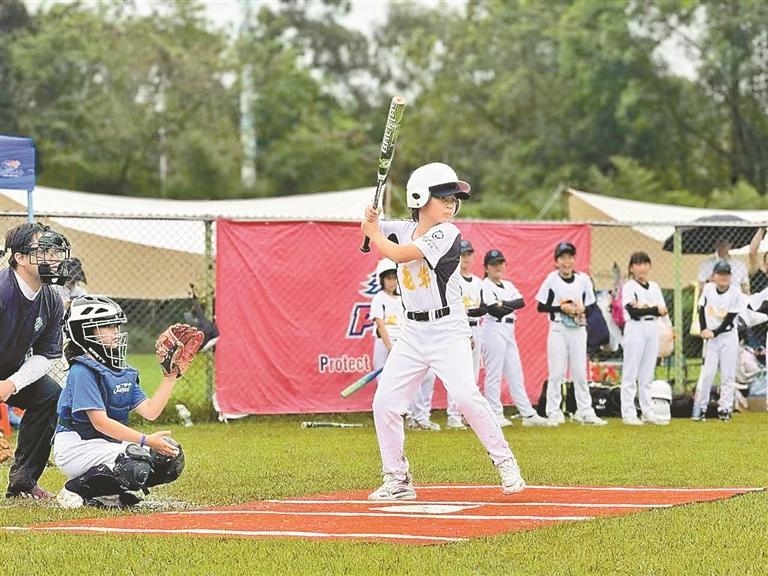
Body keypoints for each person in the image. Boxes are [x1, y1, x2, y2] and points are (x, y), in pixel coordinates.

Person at [360, 162, 525, 500]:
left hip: (447, 329)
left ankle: (506, 463)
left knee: (465, 397)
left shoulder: (447, 233)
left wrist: (374, 232)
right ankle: (398, 480)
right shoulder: (403, 227)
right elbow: (370, 229)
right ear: (420, 198)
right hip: (411, 332)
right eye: (443, 197)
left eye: (453, 198)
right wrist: (370, 218)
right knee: (385, 403)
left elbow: (397, 251)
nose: (451, 203)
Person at [53, 295, 186, 508]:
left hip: (104, 444)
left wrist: (169, 378)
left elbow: (151, 412)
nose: (116, 332)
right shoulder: (81, 371)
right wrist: (145, 440)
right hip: (76, 446)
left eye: (116, 326)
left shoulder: (119, 370)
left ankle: (109, 494)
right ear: (84, 332)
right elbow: (100, 423)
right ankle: (74, 489)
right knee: (135, 463)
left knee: (169, 458)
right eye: (107, 327)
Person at [0, 222, 71, 499]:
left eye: (55, 250)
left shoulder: (52, 298)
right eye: (44, 250)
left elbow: (46, 355)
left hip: (9, 369)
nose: (53, 258)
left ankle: (23, 484)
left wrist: (11, 384)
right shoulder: (3, 291)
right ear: (19, 258)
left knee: (50, 394)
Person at [535, 241, 607, 426]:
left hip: (578, 329)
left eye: (570, 258)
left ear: (574, 260)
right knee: (557, 372)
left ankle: (585, 411)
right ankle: (554, 411)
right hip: (558, 329)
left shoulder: (583, 280)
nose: (566, 262)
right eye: (562, 258)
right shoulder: (552, 279)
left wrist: (581, 309)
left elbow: (591, 306)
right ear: (556, 261)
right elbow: (541, 306)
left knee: (580, 373)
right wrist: (562, 308)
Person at [479, 249, 550, 428]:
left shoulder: (508, 285)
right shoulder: (484, 284)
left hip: (509, 328)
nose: (498, 267)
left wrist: (503, 304)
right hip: (493, 327)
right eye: (494, 264)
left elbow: (521, 302)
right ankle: (494, 413)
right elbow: (493, 310)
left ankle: (527, 413)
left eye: (500, 263)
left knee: (515, 373)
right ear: (486, 267)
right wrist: (503, 306)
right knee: (494, 374)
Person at [369, 258, 440, 431]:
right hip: (386, 345)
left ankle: (421, 416)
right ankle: (404, 416)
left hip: (404, 343)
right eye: (388, 278)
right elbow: (380, 325)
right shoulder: (379, 298)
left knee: (423, 377)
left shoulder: (404, 298)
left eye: (394, 277)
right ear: (382, 280)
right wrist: (390, 348)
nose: (392, 281)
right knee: (387, 383)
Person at [619, 252, 669, 426]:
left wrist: (650, 309)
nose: (641, 268)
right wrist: (653, 310)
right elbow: (633, 312)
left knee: (647, 373)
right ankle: (628, 412)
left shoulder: (654, 286)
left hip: (652, 327)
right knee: (630, 372)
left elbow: (663, 310)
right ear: (631, 268)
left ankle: (647, 411)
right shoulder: (629, 286)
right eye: (637, 264)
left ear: (649, 266)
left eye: (644, 264)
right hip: (635, 327)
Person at [691, 260, 742, 422]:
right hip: (711, 339)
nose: (723, 277)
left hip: (728, 336)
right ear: (713, 276)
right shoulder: (708, 289)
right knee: (707, 374)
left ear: (731, 276)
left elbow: (730, 318)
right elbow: (701, 309)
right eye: (719, 274)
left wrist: (714, 332)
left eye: (726, 274)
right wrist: (704, 329)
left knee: (727, 374)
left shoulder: (735, 292)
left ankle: (725, 408)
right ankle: (701, 407)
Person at [444, 239, 484, 430]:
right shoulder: (453, 279)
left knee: (472, 374)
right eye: (462, 255)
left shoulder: (478, 282)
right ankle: (453, 414)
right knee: (457, 373)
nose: (465, 259)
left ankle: (468, 415)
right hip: (459, 329)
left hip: (477, 327)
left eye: (468, 254)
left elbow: (482, 307)